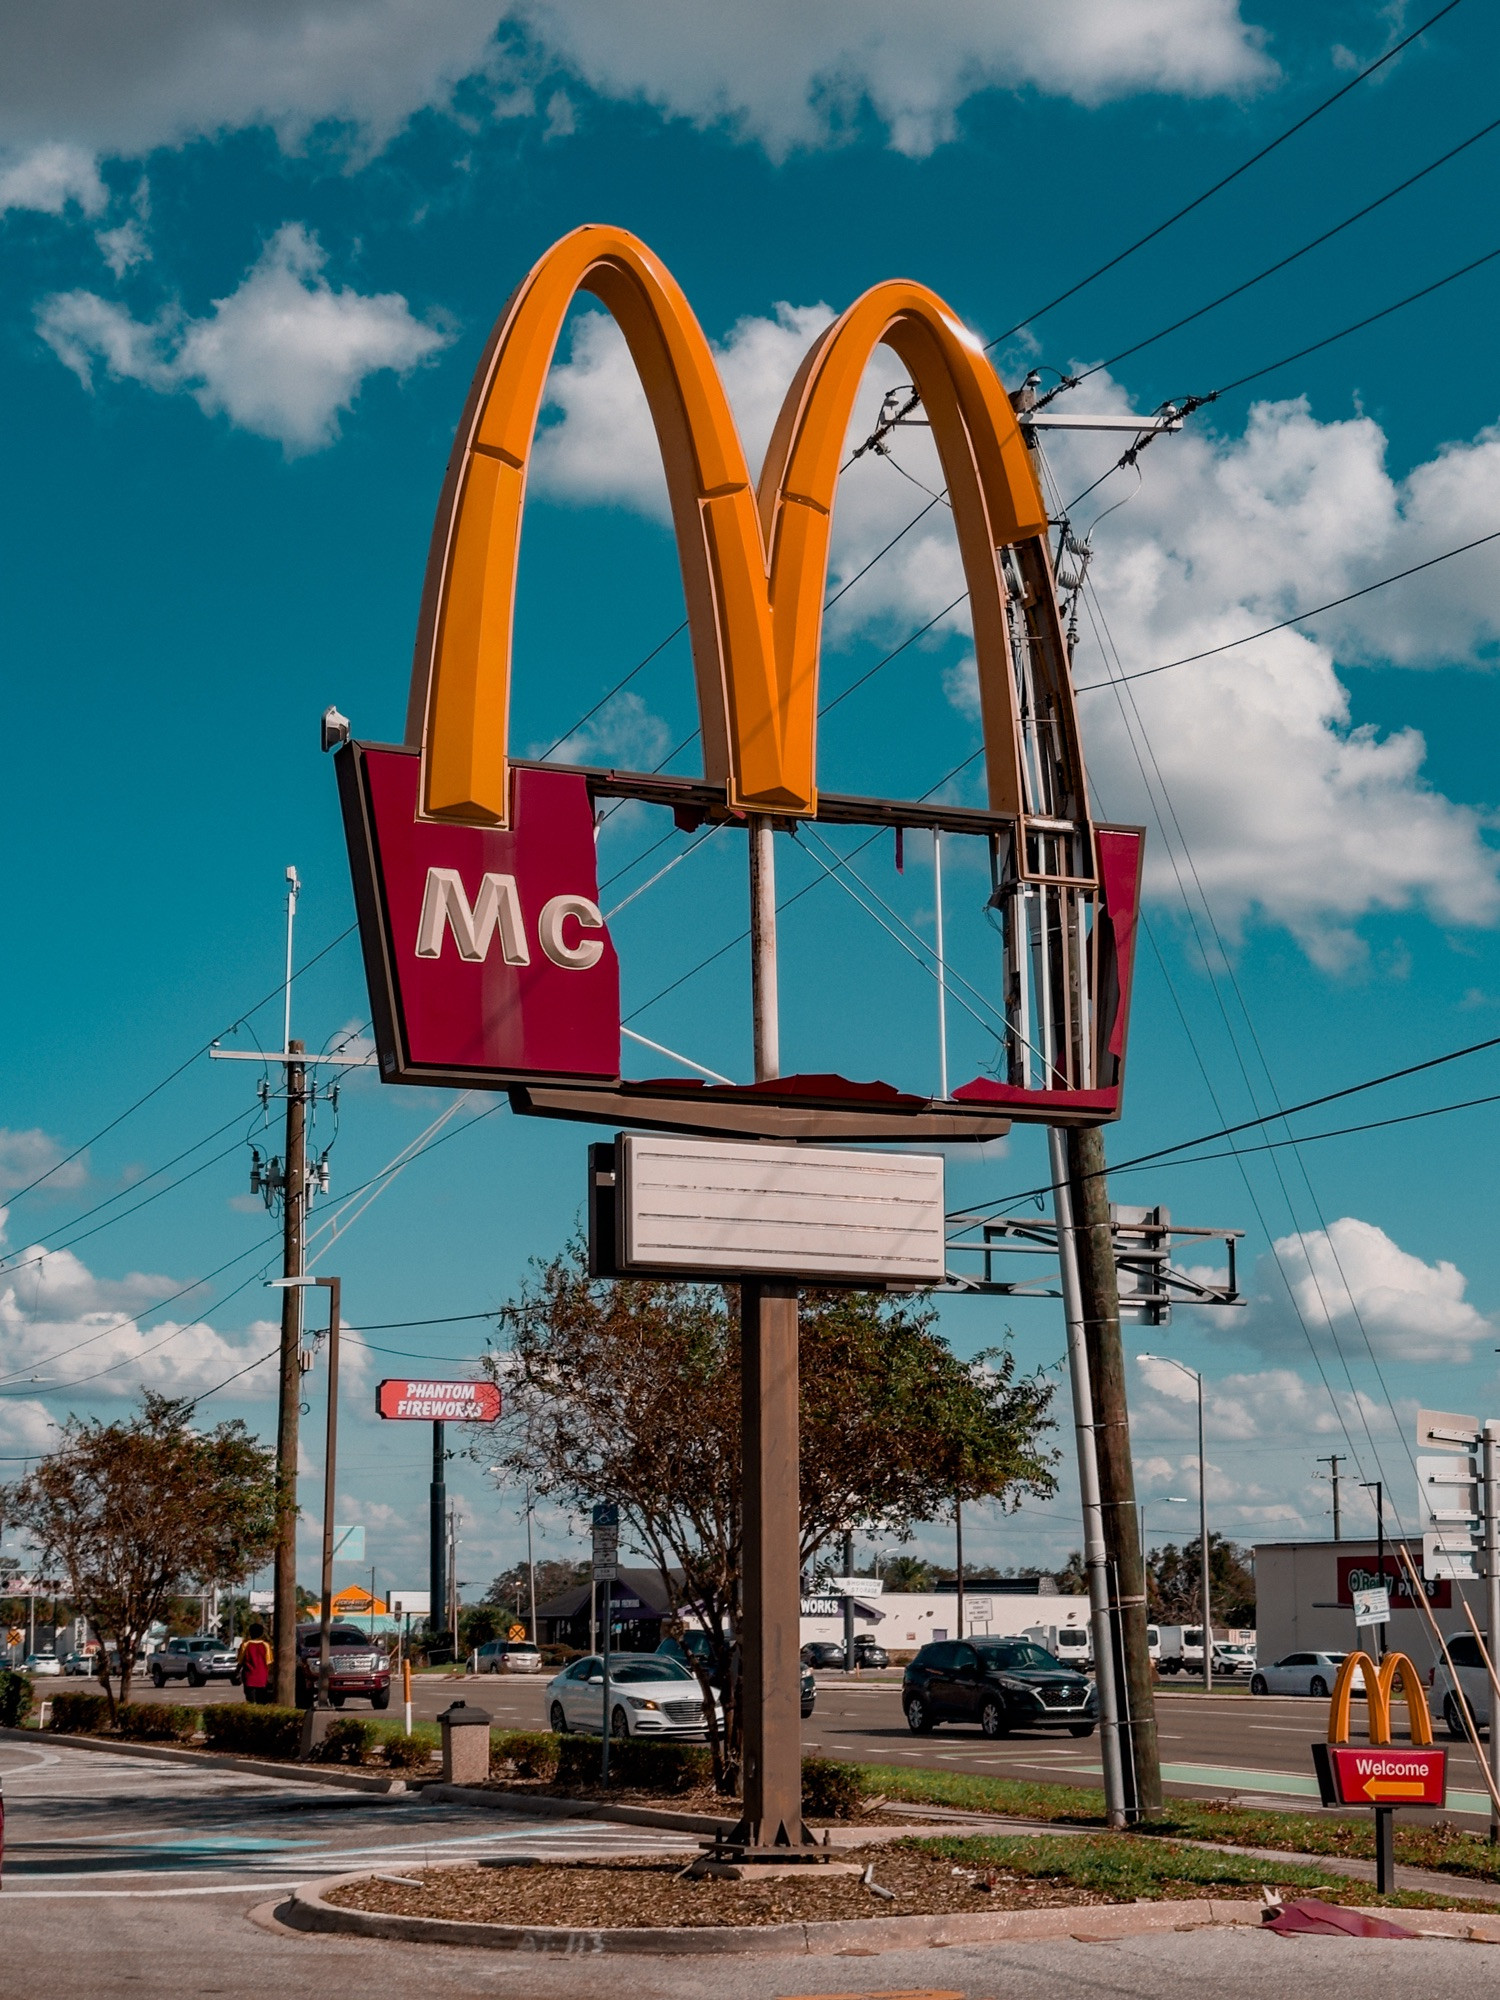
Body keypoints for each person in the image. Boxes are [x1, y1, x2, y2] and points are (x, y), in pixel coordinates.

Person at [237, 1622, 273, 1705]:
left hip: (249, 1678)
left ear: (250, 1632)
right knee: (262, 1702)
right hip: (262, 1679)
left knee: (251, 1701)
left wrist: (236, 1672)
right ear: (261, 1633)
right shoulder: (266, 1645)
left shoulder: (245, 1645)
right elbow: (269, 1663)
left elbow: (240, 1661)